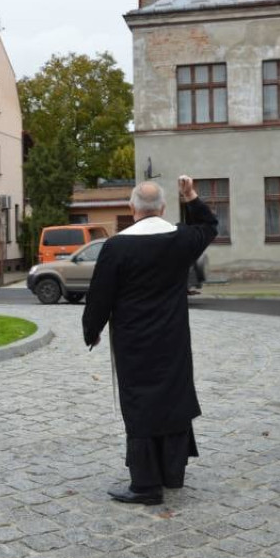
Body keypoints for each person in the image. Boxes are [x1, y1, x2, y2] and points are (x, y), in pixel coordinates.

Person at [82, 176, 218, 505]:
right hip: (172, 338)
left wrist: (92, 329)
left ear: (131, 209)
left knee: (140, 404)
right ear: (163, 208)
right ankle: (172, 474)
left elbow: (100, 295)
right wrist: (190, 196)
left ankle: (145, 485)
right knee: (173, 399)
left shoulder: (117, 246)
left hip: (134, 340)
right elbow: (209, 224)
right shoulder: (181, 238)